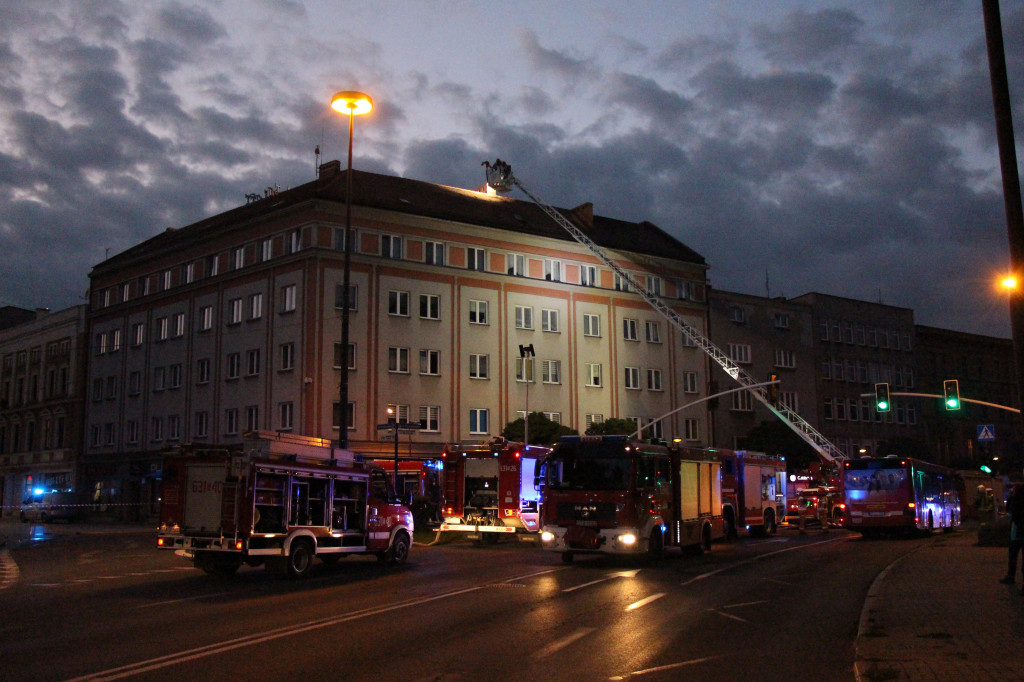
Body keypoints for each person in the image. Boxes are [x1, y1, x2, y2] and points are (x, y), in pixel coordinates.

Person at [999, 482, 1024, 590]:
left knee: (1013, 556)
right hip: (1018, 533)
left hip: (1018, 533)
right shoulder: (1016, 500)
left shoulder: (1017, 501)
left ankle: (1011, 576)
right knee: (1015, 556)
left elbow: (1014, 514)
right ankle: (1011, 576)